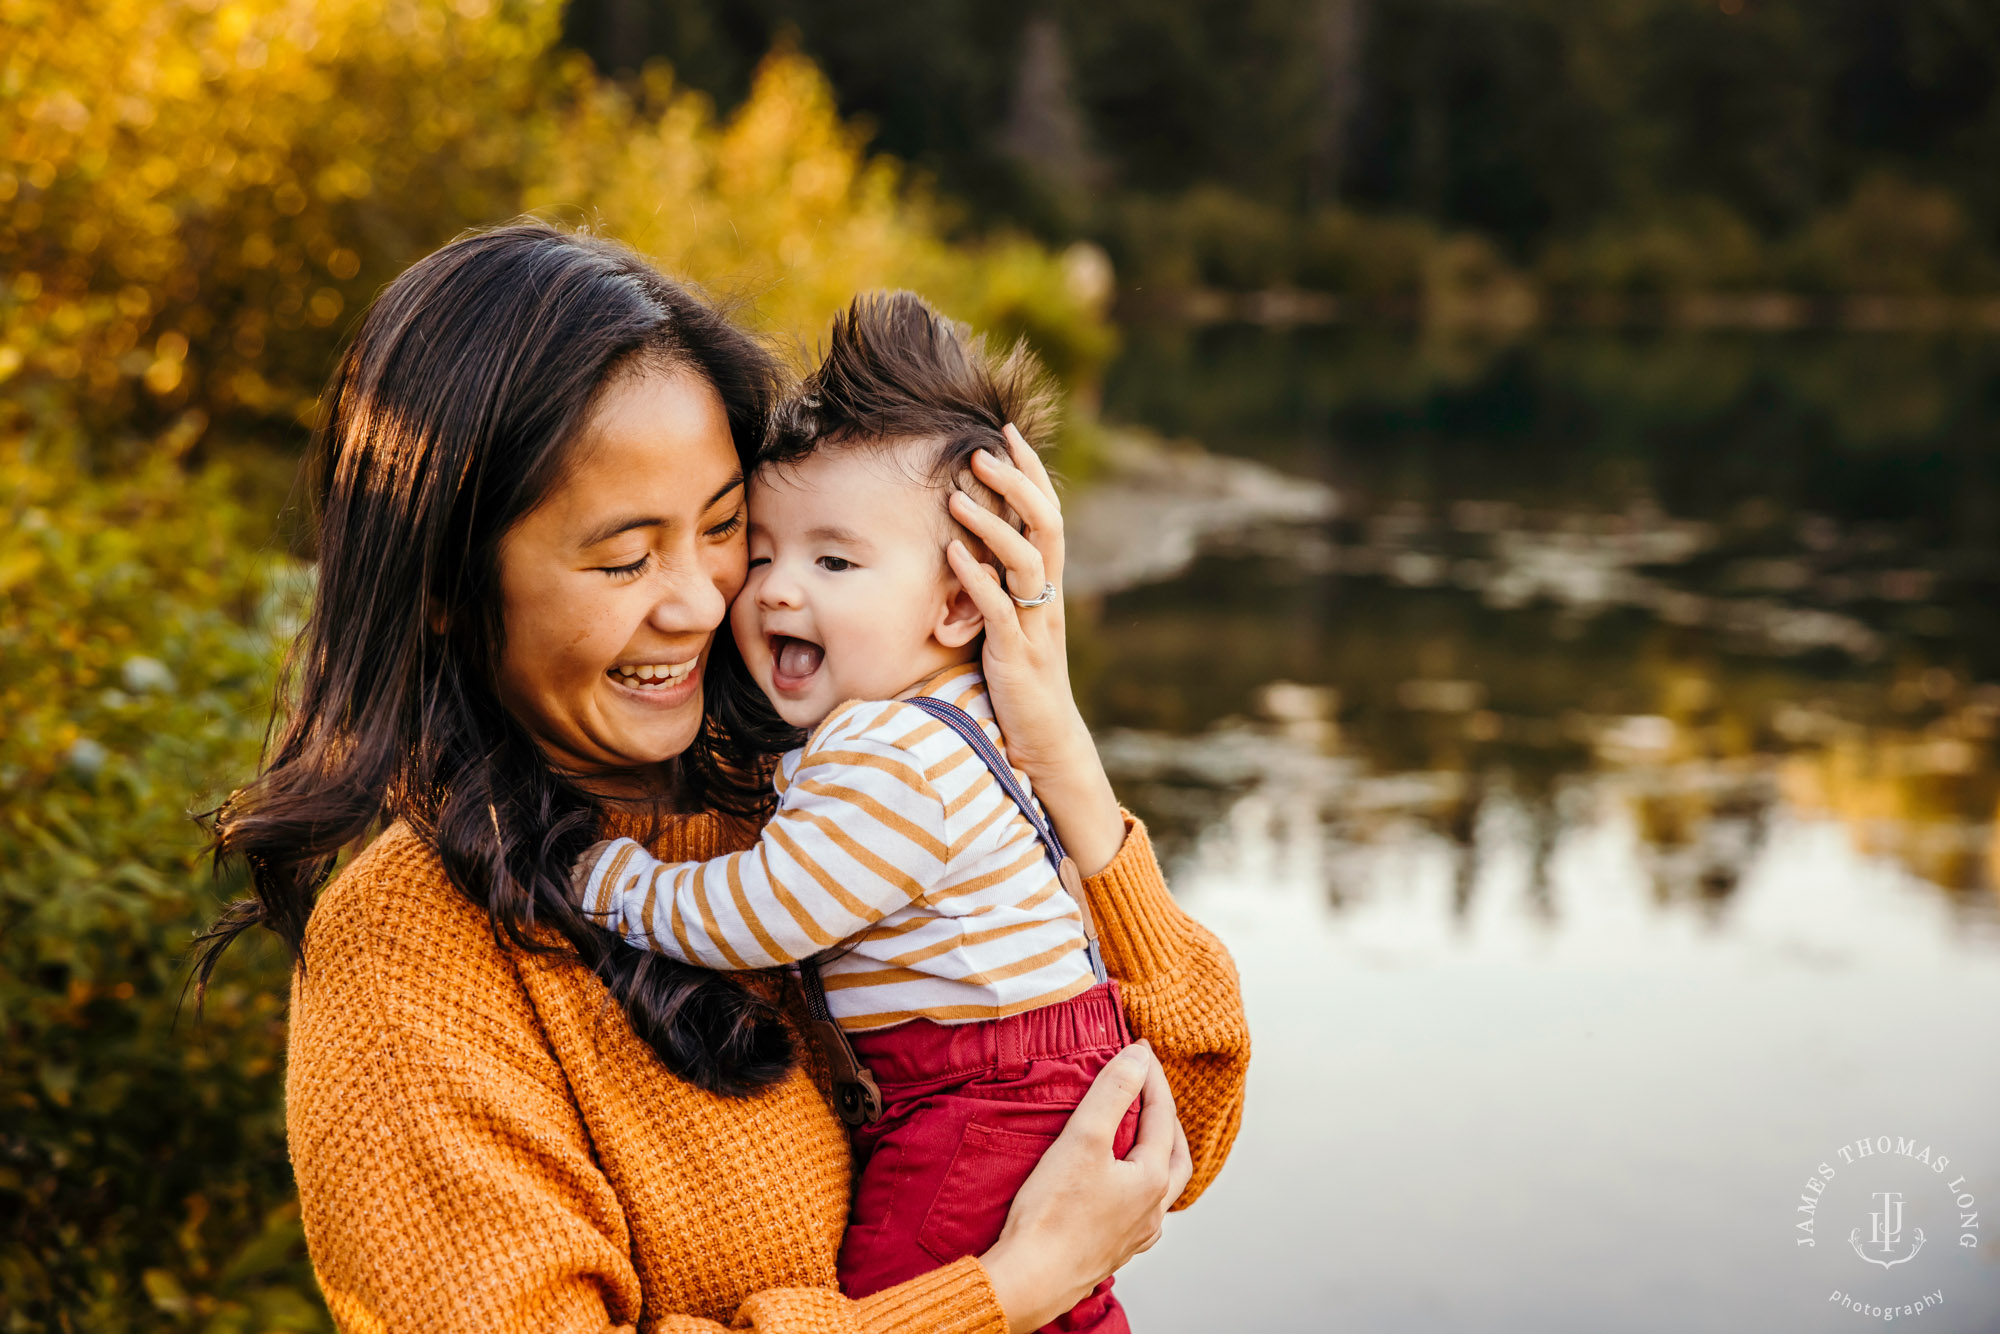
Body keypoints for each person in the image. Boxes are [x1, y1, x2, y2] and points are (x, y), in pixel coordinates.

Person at [199, 221, 1250, 1333]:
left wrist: (1056, 745)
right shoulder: (413, 947)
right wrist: (1004, 1292)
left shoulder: (803, 784)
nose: (701, 602)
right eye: (622, 557)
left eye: (725, 531)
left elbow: (1178, 1122)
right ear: (448, 586)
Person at [569, 291, 1139, 1330]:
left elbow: (763, 912)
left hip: (982, 1088)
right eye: (764, 549)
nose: (772, 592)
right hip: (1023, 1071)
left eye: (833, 561)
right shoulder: (942, 712)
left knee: (898, 1292)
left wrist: (621, 884)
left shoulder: (887, 753)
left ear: (958, 599)